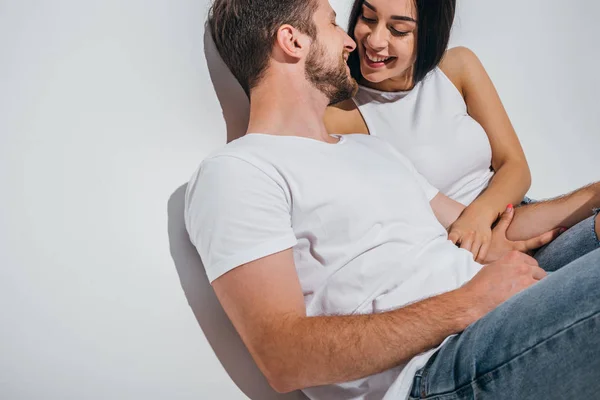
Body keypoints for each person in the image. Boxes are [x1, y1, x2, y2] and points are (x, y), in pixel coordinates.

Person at [185, 0, 600, 399]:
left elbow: (489, 234)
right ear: (293, 41)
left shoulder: (373, 151)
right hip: (434, 370)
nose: (351, 42)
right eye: (333, 24)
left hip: (493, 310)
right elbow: (283, 358)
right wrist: (469, 302)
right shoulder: (238, 170)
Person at [325, 0, 600, 266]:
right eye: (368, 18)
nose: (374, 40)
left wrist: (478, 218)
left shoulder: (457, 67)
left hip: (512, 215)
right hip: (464, 254)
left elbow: (514, 166)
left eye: (399, 30)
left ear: (430, 34)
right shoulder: (343, 117)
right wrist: (473, 234)